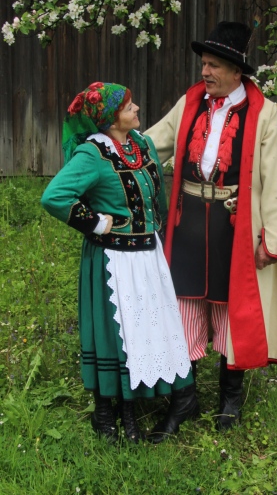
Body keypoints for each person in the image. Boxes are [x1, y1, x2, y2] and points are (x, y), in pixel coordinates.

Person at [145, 21, 277, 430]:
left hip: (235, 227)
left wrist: (273, 238)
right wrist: (114, 149)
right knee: (184, 306)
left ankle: (230, 399)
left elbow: (276, 179)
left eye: (213, 65)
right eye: (204, 64)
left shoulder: (264, 114)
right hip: (188, 224)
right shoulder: (191, 102)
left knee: (232, 308)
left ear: (236, 70)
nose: (204, 72)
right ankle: (185, 400)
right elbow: (154, 142)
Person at [41, 82, 198, 444]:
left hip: (148, 257)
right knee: (115, 333)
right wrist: (95, 222)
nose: (137, 108)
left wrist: (162, 234)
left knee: (144, 330)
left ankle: (137, 404)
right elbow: (54, 196)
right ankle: (105, 411)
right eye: (129, 106)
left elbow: (157, 197)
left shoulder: (141, 144)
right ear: (111, 119)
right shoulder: (92, 154)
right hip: (113, 261)